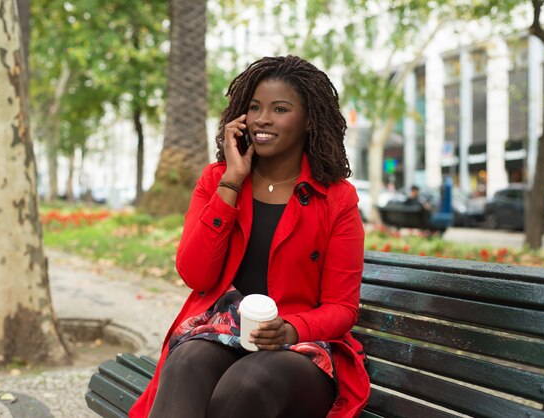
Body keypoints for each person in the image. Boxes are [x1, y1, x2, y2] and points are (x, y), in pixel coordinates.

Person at [128, 55, 370, 418]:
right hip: (225, 331)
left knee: (249, 382)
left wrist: (291, 330)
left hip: (301, 347)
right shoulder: (217, 180)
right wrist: (232, 181)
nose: (262, 119)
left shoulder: (336, 199)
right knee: (187, 360)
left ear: (308, 122)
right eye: (254, 107)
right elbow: (196, 275)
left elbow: (342, 307)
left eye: (280, 108)